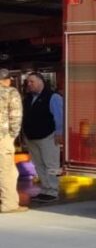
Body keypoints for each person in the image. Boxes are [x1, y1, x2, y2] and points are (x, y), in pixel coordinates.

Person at [23, 72, 63, 204]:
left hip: (48, 136)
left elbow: (59, 117)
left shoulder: (53, 97)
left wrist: (59, 133)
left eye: (31, 82)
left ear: (41, 82)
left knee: (51, 164)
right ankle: (45, 190)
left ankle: (53, 191)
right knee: (39, 165)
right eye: (28, 82)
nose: (29, 84)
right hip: (32, 138)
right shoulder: (28, 98)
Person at [1, 68, 27, 214]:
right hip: (2, 137)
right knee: (8, 171)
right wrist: (13, 136)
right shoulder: (10, 92)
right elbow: (16, 116)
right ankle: (9, 204)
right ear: (7, 80)